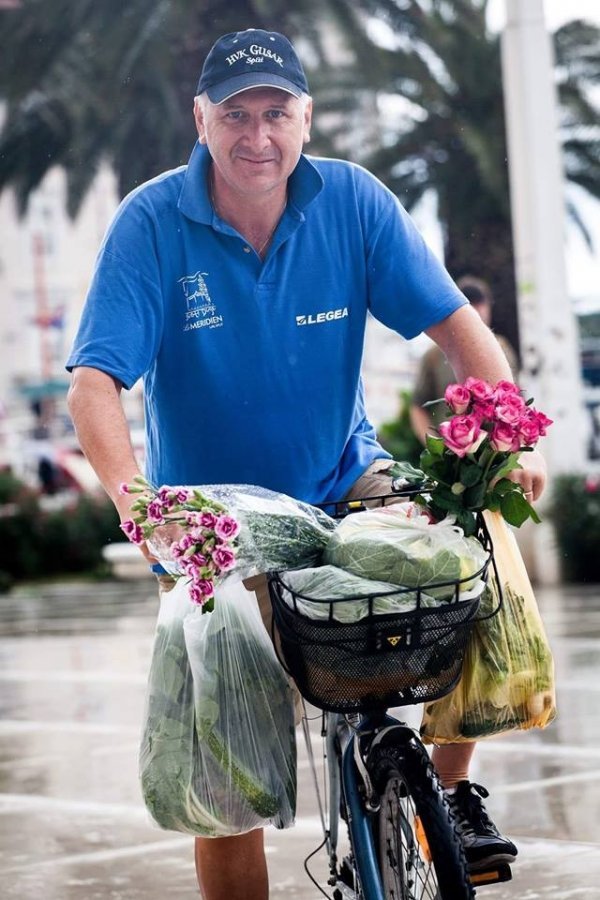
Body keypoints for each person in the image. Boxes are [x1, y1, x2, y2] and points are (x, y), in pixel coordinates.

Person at [66, 28, 546, 900]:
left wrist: (508, 446)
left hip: (344, 480)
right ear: (201, 118)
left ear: (307, 118)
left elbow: (460, 331)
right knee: (226, 785)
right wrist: (135, 500)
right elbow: (95, 382)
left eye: (277, 113)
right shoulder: (151, 223)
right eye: (237, 115)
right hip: (214, 521)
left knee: (476, 534)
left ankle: (450, 785)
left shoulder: (353, 203)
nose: (259, 137)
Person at [410, 275, 519, 443]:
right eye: (470, 304)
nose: (477, 311)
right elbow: (418, 406)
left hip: (494, 453)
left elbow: (516, 400)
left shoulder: (503, 349)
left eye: (481, 303)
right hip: (451, 451)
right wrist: (435, 445)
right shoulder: (433, 355)